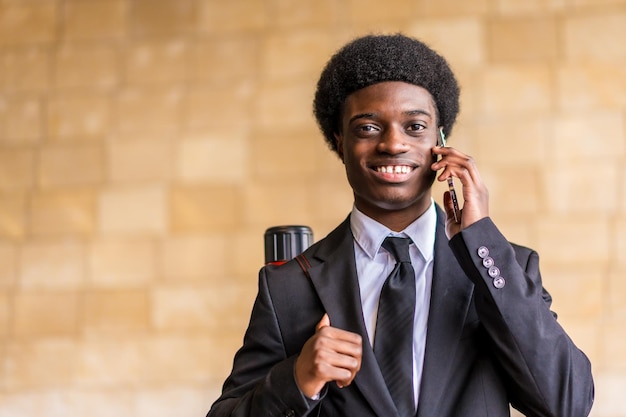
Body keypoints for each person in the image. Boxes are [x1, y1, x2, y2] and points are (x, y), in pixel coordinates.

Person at [206, 33, 594, 417]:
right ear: (339, 142)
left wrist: (481, 241)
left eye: (414, 127)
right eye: (368, 128)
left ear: (441, 142)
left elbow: (566, 403)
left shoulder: (500, 269)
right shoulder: (289, 287)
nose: (393, 144)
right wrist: (297, 380)